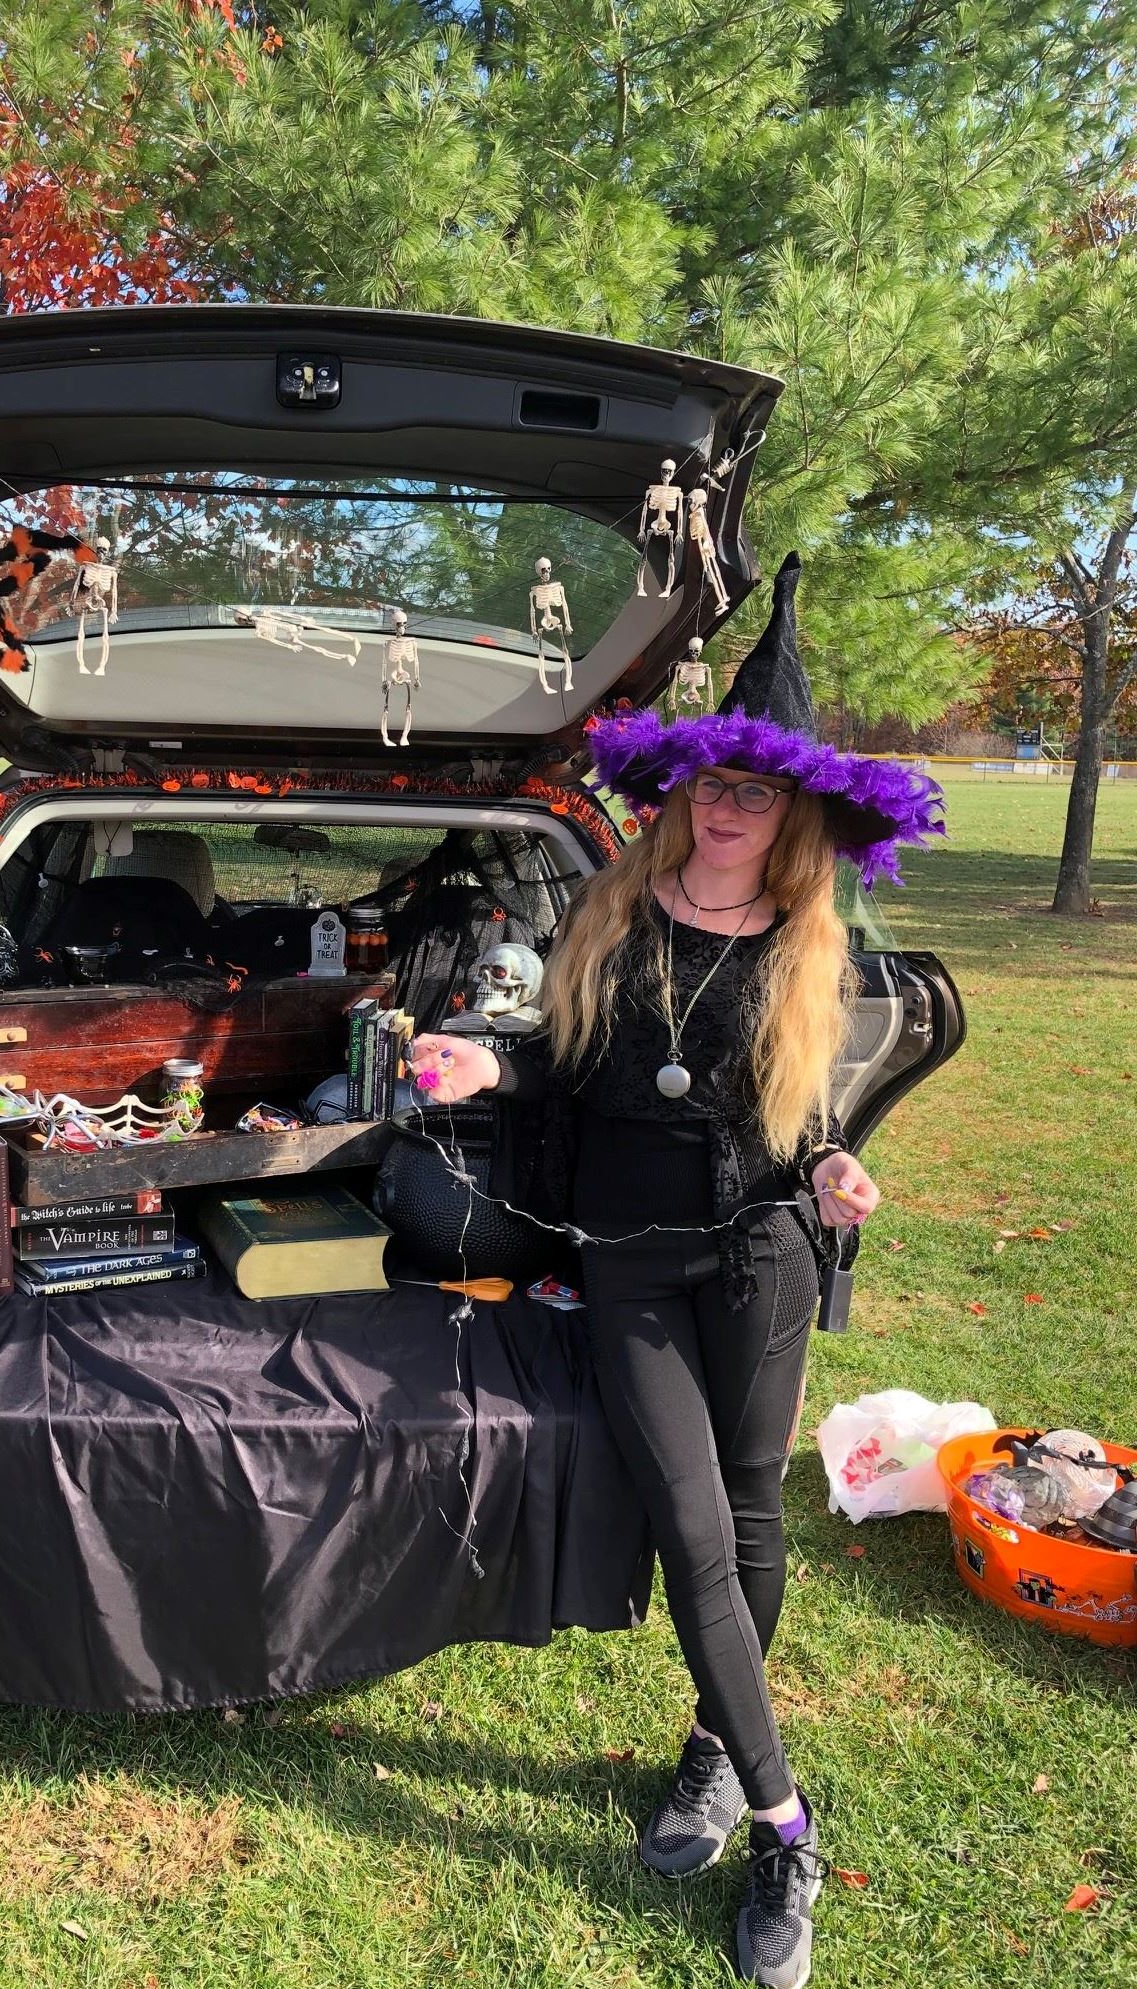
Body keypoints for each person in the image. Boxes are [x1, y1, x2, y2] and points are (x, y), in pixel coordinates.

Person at [409, 555, 943, 1989]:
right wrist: (484, 1059)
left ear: (793, 819)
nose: (724, 804)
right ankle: (785, 1822)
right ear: (680, 796)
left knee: (755, 1509)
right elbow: (559, 1066)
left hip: (759, 1255)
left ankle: (714, 1752)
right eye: (708, 781)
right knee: (693, 1528)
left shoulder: (808, 950)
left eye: (753, 790)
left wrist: (831, 1171)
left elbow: (805, 1116)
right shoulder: (611, 919)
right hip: (632, 1268)